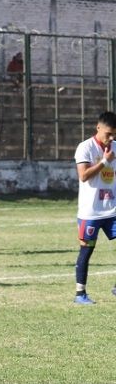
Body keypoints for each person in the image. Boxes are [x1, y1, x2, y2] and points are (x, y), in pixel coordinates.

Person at [71, 112, 116, 305]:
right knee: (86, 251)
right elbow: (83, 176)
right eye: (108, 134)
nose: (111, 138)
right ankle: (80, 294)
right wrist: (105, 161)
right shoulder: (85, 147)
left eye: (114, 134)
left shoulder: (115, 147)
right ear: (98, 128)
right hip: (90, 212)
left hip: (112, 210)